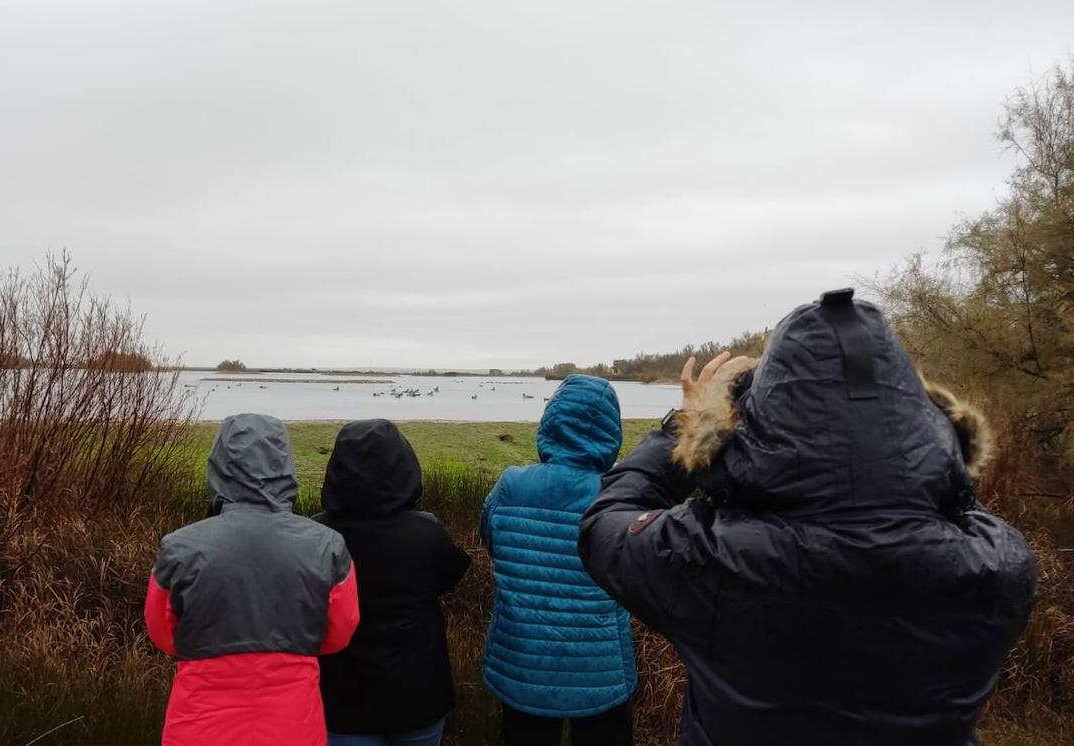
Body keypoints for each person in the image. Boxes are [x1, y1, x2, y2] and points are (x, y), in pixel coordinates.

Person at [579, 289, 1038, 746]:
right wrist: (941, 451)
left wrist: (688, 430)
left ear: (753, 421)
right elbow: (955, 498)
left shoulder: (709, 557)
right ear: (920, 414)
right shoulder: (999, 564)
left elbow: (605, 522)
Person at [144, 413, 360, 746]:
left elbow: (163, 634)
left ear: (218, 465)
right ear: (285, 465)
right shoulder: (326, 545)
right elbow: (339, 633)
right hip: (293, 723)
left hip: (200, 723)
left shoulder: (179, 547)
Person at [480, 374, 637, 746]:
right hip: (601, 669)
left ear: (550, 421)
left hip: (522, 659)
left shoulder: (511, 484)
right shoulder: (620, 494)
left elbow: (493, 540)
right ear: (612, 430)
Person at [314, 419, 471, 746]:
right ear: (404, 467)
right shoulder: (426, 534)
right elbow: (452, 572)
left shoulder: (316, 536)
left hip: (342, 700)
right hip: (418, 696)